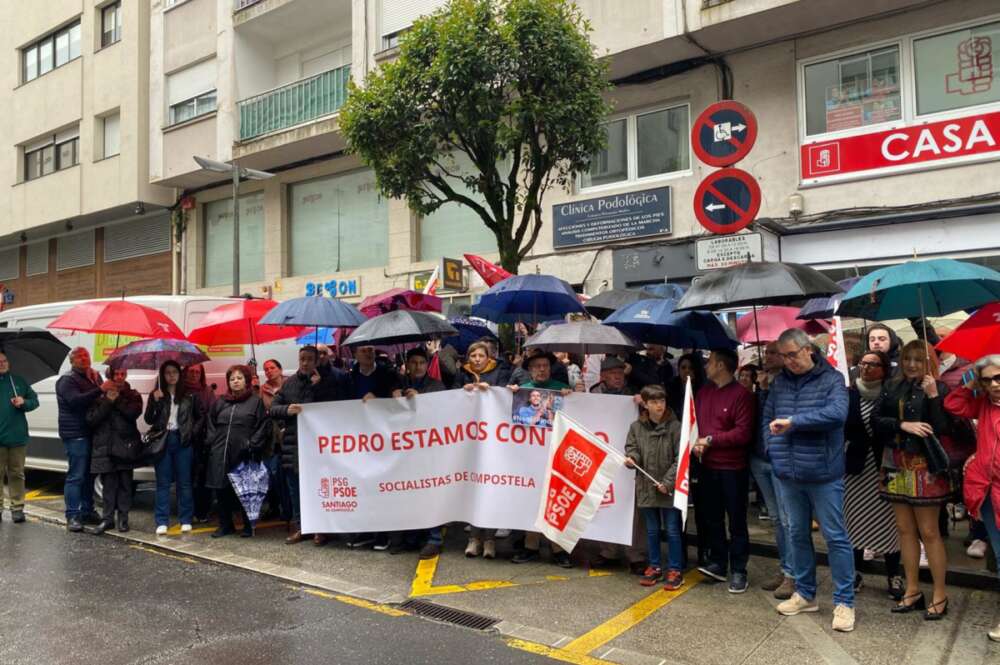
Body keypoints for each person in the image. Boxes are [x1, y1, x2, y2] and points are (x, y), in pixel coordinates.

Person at [762, 328, 855, 633]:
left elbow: (837, 414)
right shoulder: (780, 383)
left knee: (835, 537)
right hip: (788, 472)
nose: (788, 361)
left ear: (808, 350)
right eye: (783, 356)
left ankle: (844, 602)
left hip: (824, 473)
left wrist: (794, 423)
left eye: (792, 354)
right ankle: (805, 593)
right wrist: (772, 449)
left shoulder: (833, 380)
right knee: (797, 534)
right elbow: (767, 418)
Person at [875, 340, 952, 620]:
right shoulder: (892, 386)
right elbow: (876, 420)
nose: (911, 364)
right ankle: (912, 589)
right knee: (904, 529)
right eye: (908, 358)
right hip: (894, 461)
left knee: (929, 531)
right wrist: (901, 424)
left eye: (919, 360)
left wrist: (933, 397)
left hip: (925, 466)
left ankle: (940, 593)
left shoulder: (940, 388)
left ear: (929, 362)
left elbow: (942, 429)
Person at [944, 354, 1000, 640]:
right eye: (988, 379)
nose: (994, 384)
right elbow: (953, 404)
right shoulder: (985, 404)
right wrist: (970, 383)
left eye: (998, 377)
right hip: (988, 493)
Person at [269, 346, 345, 545]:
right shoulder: (289, 383)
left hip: (317, 446)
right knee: (296, 490)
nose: (305, 363)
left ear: (316, 361)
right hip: (293, 446)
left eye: (309, 359)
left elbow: (333, 408)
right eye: (302, 358)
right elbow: (273, 408)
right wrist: (287, 409)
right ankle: (302, 527)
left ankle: (320, 529)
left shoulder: (325, 382)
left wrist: (317, 387)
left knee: (317, 489)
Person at [693, 348, 755, 593]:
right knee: (713, 518)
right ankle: (718, 562)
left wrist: (710, 440)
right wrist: (695, 442)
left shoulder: (742, 395)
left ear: (721, 366)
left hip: (733, 468)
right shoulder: (704, 391)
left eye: (710, 362)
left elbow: (743, 433)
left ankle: (739, 569)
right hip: (707, 465)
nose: (706, 366)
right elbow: (694, 422)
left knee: (737, 520)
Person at [844, 350, 903, 599]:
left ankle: (894, 574)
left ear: (884, 368)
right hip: (856, 466)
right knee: (854, 519)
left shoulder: (892, 394)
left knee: (890, 520)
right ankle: (856, 572)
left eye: (873, 364)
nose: (866, 368)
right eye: (863, 364)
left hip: (887, 465)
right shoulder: (848, 394)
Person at [510, 350, 574, 567]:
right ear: (529, 370)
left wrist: (574, 395)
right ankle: (531, 545)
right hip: (529, 456)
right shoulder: (522, 391)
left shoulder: (561, 390)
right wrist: (507, 394)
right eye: (536, 366)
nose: (541, 369)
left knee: (555, 498)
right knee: (532, 499)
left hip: (556, 452)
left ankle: (558, 548)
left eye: (545, 365)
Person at [453, 341, 510, 559]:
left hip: (493, 441)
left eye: (480, 355)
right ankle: (473, 538)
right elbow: (450, 399)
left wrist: (494, 392)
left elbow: (506, 397)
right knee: (472, 489)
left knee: (489, 488)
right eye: (473, 355)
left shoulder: (500, 374)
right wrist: (462, 392)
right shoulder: (462, 375)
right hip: (469, 440)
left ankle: (489, 540)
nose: (477, 359)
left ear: (489, 358)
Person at [625, 385, 684, 589]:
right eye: (654, 402)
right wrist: (632, 458)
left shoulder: (675, 427)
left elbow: (680, 459)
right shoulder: (636, 427)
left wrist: (668, 483)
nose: (659, 405)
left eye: (662, 401)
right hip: (646, 485)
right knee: (651, 530)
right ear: (645, 404)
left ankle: (675, 568)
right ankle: (655, 566)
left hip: (668, 487)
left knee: (672, 530)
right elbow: (632, 447)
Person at [750, 340, 794, 599]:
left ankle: (793, 574)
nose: (768, 357)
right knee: (777, 519)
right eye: (766, 352)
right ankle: (785, 567)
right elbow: (759, 418)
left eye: (773, 353)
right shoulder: (762, 383)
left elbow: (778, 418)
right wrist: (760, 390)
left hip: (778, 458)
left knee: (789, 520)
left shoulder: (788, 383)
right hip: (759, 458)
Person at [206, 365, 269, 538]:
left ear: (246, 381)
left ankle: (249, 526)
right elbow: (210, 423)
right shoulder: (220, 402)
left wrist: (251, 444)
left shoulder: (255, 401)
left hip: (243, 453)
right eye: (232, 379)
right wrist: (212, 442)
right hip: (220, 452)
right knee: (221, 490)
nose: (235, 381)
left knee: (245, 490)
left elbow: (263, 425)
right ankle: (226, 525)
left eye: (239, 378)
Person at [145, 360, 202, 536]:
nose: (171, 376)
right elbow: (149, 419)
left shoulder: (190, 396)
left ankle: (185, 519)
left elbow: (200, 417)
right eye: (168, 372)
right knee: (163, 483)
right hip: (163, 440)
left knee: (184, 482)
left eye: (175, 372)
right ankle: (162, 521)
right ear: (163, 375)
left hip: (182, 440)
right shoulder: (157, 395)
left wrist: (191, 432)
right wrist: (155, 402)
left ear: (180, 374)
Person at [86, 367, 142, 534]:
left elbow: (134, 413)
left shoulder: (133, 394)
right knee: (109, 486)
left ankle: (123, 519)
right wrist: (107, 402)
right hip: (106, 447)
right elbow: (91, 419)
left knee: (125, 485)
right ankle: (107, 519)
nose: (119, 377)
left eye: (122, 374)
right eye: (116, 374)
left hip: (125, 446)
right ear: (109, 375)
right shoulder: (98, 394)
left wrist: (117, 400)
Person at [55, 347, 105, 532]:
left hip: (92, 431)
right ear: (72, 361)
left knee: (89, 475)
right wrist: (99, 388)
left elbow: (100, 399)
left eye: (86, 355)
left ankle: (87, 510)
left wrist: (97, 382)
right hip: (75, 434)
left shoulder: (92, 376)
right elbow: (76, 401)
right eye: (79, 356)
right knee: (76, 476)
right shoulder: (66, 380)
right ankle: (72, 515)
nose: (84, 359)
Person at [0, 351, 39, 524]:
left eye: (4, 360)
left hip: (17, 437)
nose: (2, 363)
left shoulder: (18, 381)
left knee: (17, 473)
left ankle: (17, 508)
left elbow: (35, 401)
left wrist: (24, 402)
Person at [184, 364, 216, 523]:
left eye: (197, 372)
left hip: (203, 440)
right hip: (185, 439)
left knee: (203, 478)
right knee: (186, 478)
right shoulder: (179, 390)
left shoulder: (207, 391)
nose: (194, 374)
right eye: (191, 371)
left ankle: (203, 511)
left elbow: (212, 413)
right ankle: (189, 511)